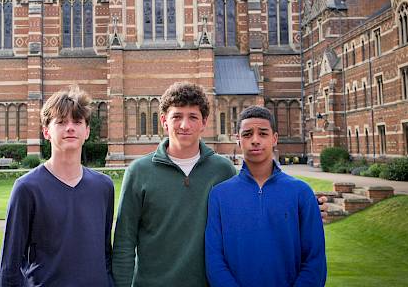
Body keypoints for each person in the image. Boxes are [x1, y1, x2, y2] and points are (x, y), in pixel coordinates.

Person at [112, 82, 237, 287]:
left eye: (193, 117)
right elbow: (124, 242)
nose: (184, 125)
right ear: (164, 121)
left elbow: (233, 238)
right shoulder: (139, 172)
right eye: (177, 116)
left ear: (204, 123)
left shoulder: (223, 171)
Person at [0, 86, 114, 286]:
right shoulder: (27, 188)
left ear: (87, 131)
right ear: (46, 131)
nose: (70, 128)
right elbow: (9, 268)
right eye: (61, 122)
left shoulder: (103, 187)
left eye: (77, 122)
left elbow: (105, 254)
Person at [205, 106, 327, 287]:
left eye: (263, 133)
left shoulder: (301, 192)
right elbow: (214, 259)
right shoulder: (219, 195)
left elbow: (314, 260)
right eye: (247, 134)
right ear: (238, 139)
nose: (255, 140)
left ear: (274, 138)